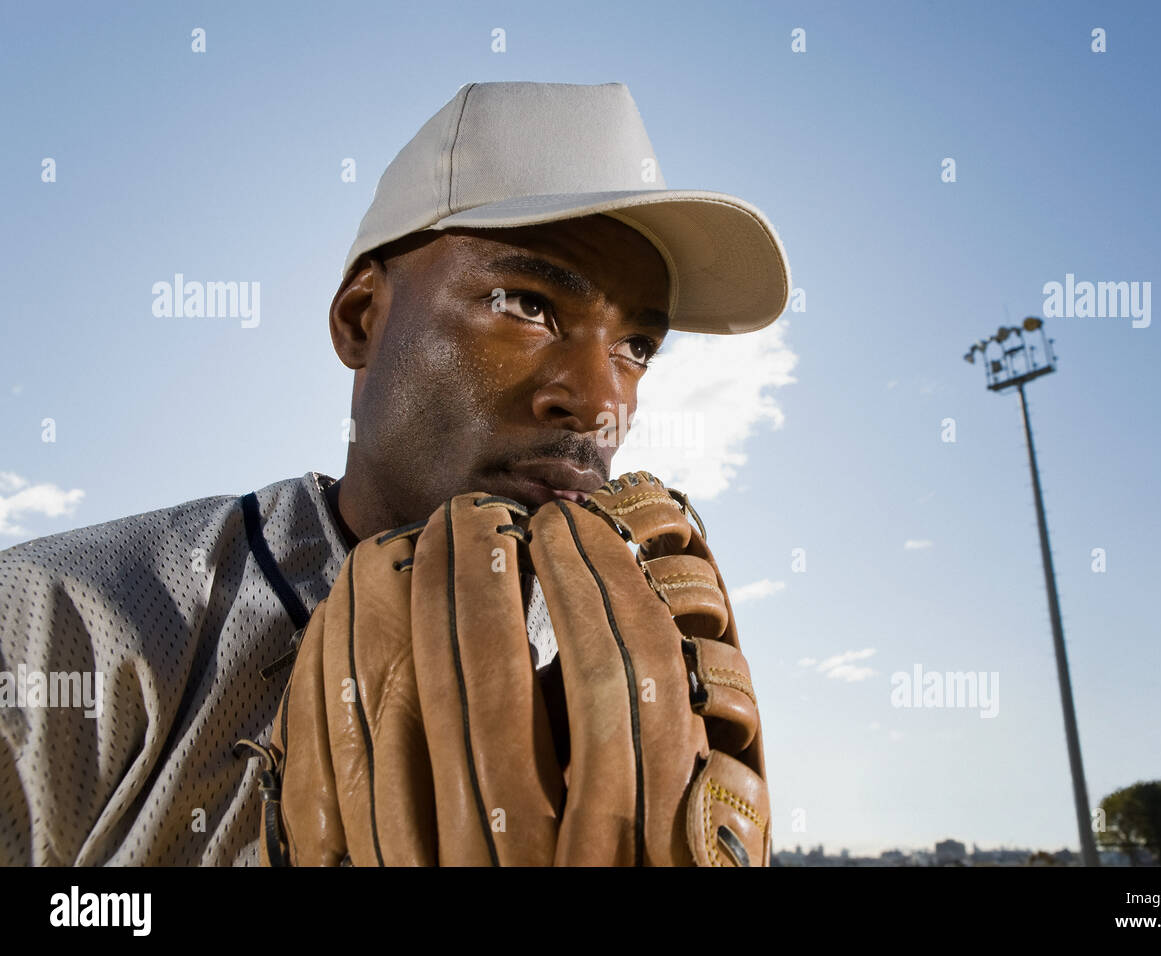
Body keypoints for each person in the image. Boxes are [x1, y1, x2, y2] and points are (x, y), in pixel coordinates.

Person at [0, 80, 790, 865]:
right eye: (525, 303)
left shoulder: (656, 681)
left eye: (637, 347)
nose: (596, 400)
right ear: (360, 319)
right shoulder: (56, 624)